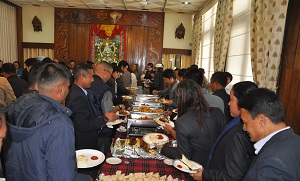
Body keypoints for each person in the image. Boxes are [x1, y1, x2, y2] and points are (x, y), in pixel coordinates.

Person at [3, 63, 90, 180]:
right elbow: (63, 176)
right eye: (68, 87)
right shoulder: (60, 124)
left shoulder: (17, 106)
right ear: (62, 88)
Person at [158, 80, 226, 180]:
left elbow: (184, 156)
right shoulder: (218, 112)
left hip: (196, 170)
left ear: (183, 98)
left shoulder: (182, 122)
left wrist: (163, 148)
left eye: (179, 97)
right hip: (218, 170)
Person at [191, 81, 257, 181]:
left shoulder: (241, 133)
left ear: (242, 103)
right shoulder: (236, 121)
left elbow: (233, 176)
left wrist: (205, 176)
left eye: (231, 100)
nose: (228, 103)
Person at [239, 88, 300, 181]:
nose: (244, 128)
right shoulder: (295, 141)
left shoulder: (271, 163)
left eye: (245, 122)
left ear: (261, 120)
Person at [66, 62, 116, 151]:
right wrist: (105, 119)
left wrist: (98, 117)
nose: (93, 80)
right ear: (81, 78)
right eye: (90, 77)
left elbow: (85, 116)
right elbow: (83, 124)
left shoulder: (80, 91)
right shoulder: (77, 96)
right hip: (84, 142)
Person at [87, 62, 119, 154]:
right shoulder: (105, 89)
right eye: (110, 74)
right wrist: (118, 107)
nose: (110, 77)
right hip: (101, 131)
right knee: (101, 158)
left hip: (86, 129)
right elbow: (109, 115)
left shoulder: (85, 84)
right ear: (105, 72)